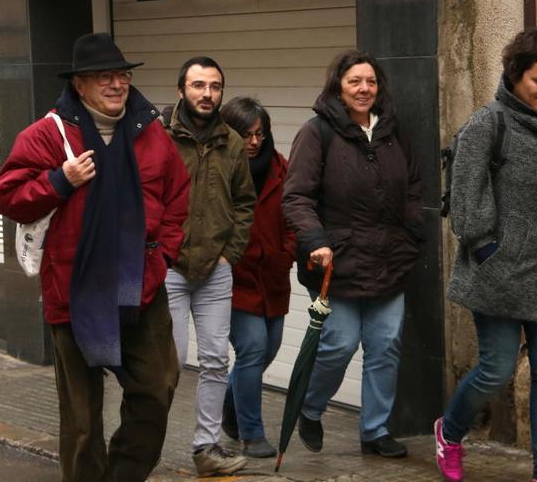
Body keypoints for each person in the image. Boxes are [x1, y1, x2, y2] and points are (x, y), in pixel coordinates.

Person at [0, 32, 190, 482]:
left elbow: (178, 196)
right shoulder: (49, 133)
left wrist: (163, 255)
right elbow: (8, 197)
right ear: (79, 84)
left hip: (140, 286)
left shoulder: (150, 130)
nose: (117, 84)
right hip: (75, 290)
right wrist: (59, 180)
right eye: (104, 77)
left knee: (157, 388)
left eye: (121, 75)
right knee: (82, 421)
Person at [435, 27, 537, 482]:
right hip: (500, 270)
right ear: (515, 74)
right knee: (496, 368)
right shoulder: (487, 123)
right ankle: (449, 432)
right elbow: (465, 203)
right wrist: (488, 249)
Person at [282, 50, 423, 459]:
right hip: (336, 263)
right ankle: (311, 408)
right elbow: (296, 197)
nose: (364, 89)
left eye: (371, 82)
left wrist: (412, 234)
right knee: (338, 345)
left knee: (385, 347)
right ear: (338, 88)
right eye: (354, 82)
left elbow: (413, 187)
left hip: (389, 260)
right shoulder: (316, 132)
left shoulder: (394, 132)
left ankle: (375, 430)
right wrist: (315, 240)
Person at [163, 57, 256, 477]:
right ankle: (143, 442)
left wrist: (228, 253)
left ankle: (206, 448)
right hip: (168, 267)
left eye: (215, 86)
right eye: (198, 85)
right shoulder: (159, 137)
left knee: (217, 359)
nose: (207, 93)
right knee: (169, 360)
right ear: (181, 90)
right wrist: (155, 249)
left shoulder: (232, 142)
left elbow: (244, 204)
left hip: (215, 270)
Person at [217, 97, 296, 458]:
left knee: (270, 346)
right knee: (251, 349)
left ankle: (230, 407)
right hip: (235, 278)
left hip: (274, 277)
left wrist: (287, 253)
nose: (254, 141)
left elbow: (297, 213)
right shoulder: (219, 171)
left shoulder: (281, 168)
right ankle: (252, 434)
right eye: (246, 134)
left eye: (259, 134)